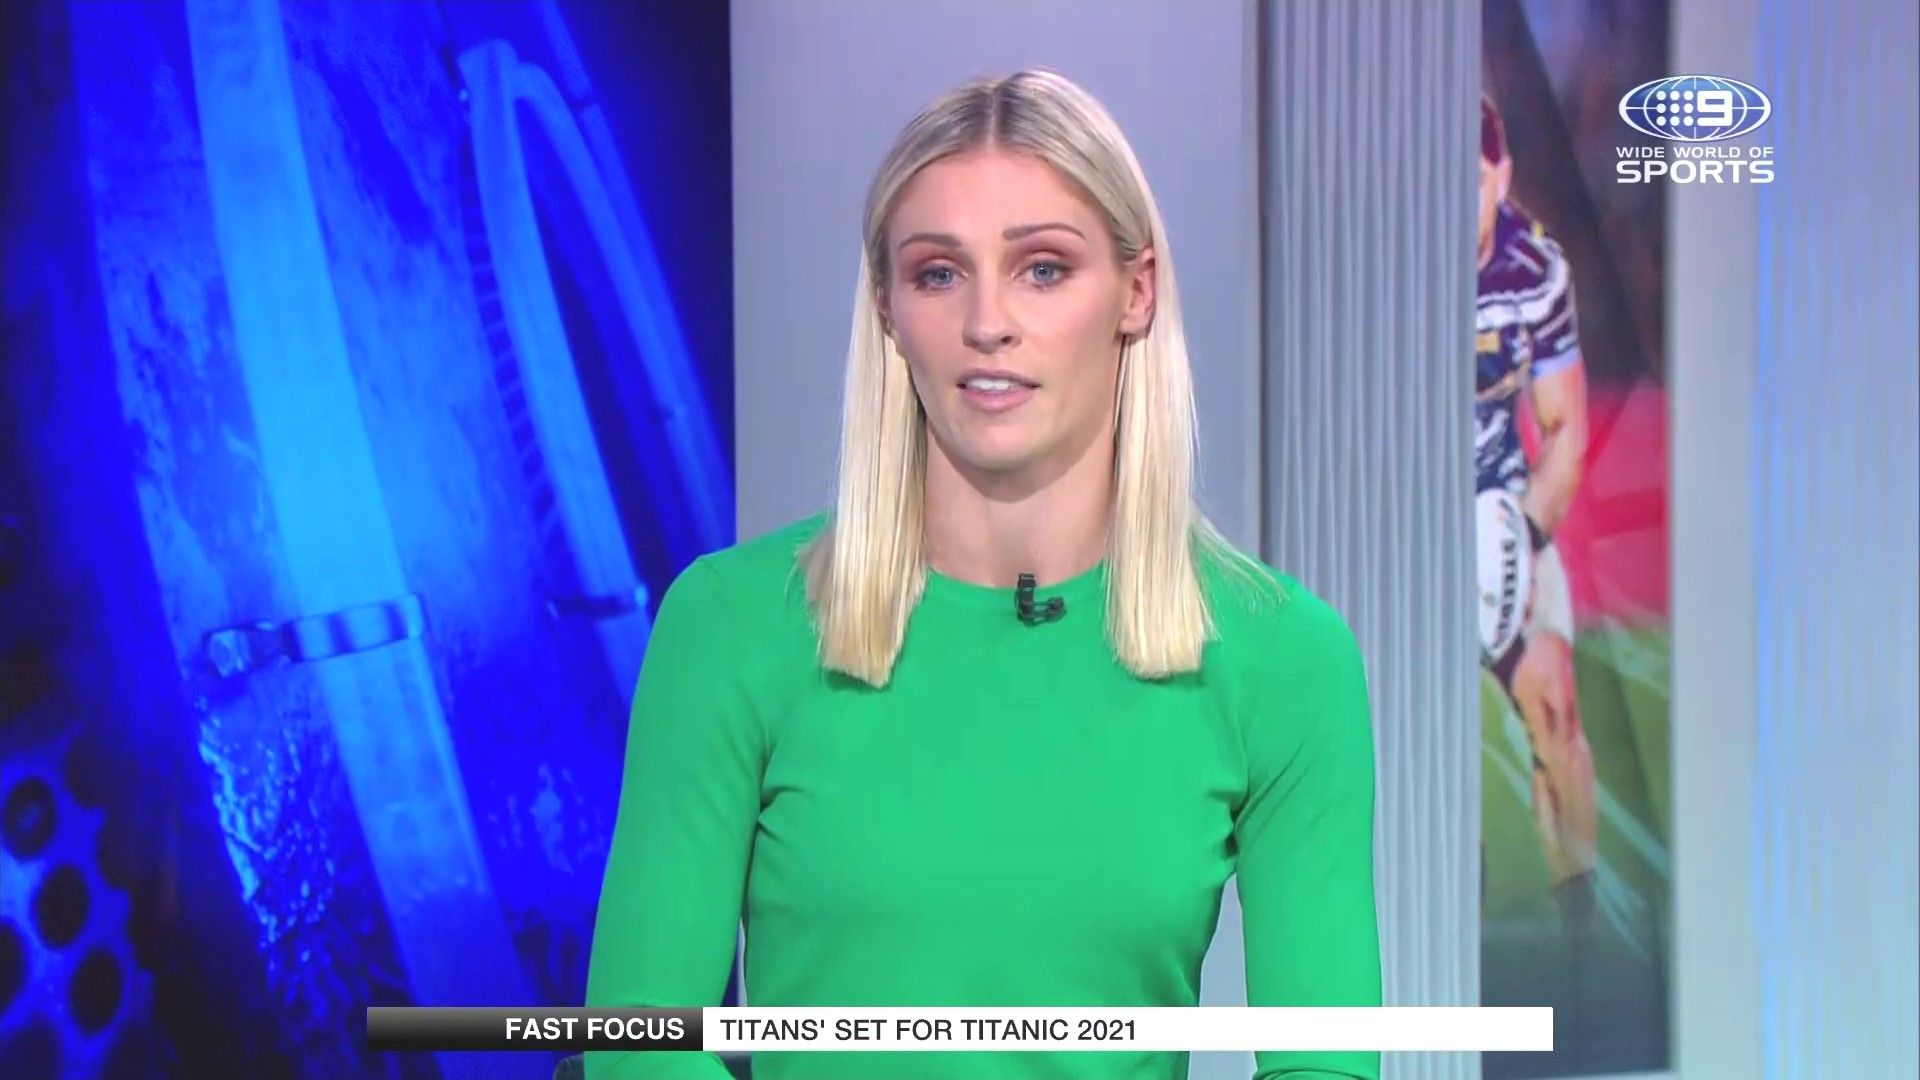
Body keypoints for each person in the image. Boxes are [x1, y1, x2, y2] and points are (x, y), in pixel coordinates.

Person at [586, 68, 1381, 1080]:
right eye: (938, 274)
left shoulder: (1282, 659)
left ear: (1135, 292)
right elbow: (638, 1049)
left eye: (1043, 268)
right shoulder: (731, 625)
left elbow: (1326, 1065)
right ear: (887, 305)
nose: (987, 322)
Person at [1474, 95, 1599, 927]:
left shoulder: (1538, 272)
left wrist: (1516, 536)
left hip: (1508, 505)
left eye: (1471, 179)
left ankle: (1583, 931)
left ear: (1502, 174)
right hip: (1408, 520)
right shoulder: (1383, 261)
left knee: (1553, 703)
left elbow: (1566, 432)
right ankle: (1447, 902)